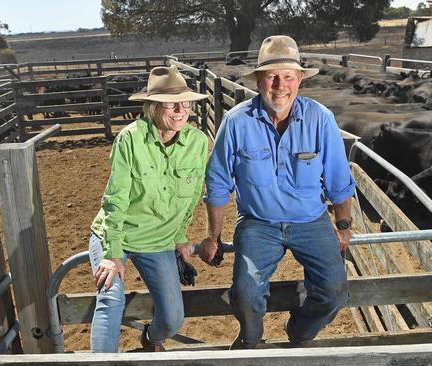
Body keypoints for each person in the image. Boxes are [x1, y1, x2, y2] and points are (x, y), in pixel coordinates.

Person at [200, 35, 355, 349]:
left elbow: (339, 179)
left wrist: (343, 226)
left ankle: (299, 331)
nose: (279, 85)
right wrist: (214, 236)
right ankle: (251, 338)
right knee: (245, 291)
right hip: (259, 224)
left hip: (311, 221)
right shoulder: (236, 122)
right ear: (259, 80)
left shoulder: (321, 119)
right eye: (271, 76)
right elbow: (217, 183)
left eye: (288, 76)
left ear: (299, 80)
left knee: (335, 290)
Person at [89, 65, 208, 353]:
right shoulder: (130, 139)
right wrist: (112, 254)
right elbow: (115, 198)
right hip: (117, 233)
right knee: (110, 298)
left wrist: (180, 235)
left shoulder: (198, 142)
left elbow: (191, 196)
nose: (180, 110)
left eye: (186, 103)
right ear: (152, 106)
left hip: (158, 240)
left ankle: (151, 338)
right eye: (170, 103)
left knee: (172, 318)